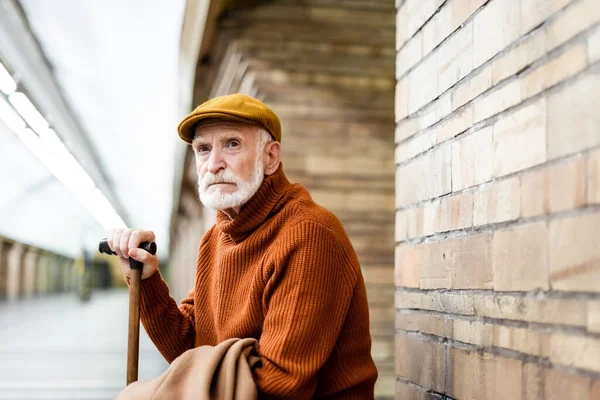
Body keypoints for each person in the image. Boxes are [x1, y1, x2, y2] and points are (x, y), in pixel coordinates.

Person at [107, 94, 378, 399]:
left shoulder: (310, 235)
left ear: (271, 157)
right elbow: (190, 347)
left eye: (232, 144)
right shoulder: (215, 238)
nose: (213, 164)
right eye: (203, 149)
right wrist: (145, 281)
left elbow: (281, 384)